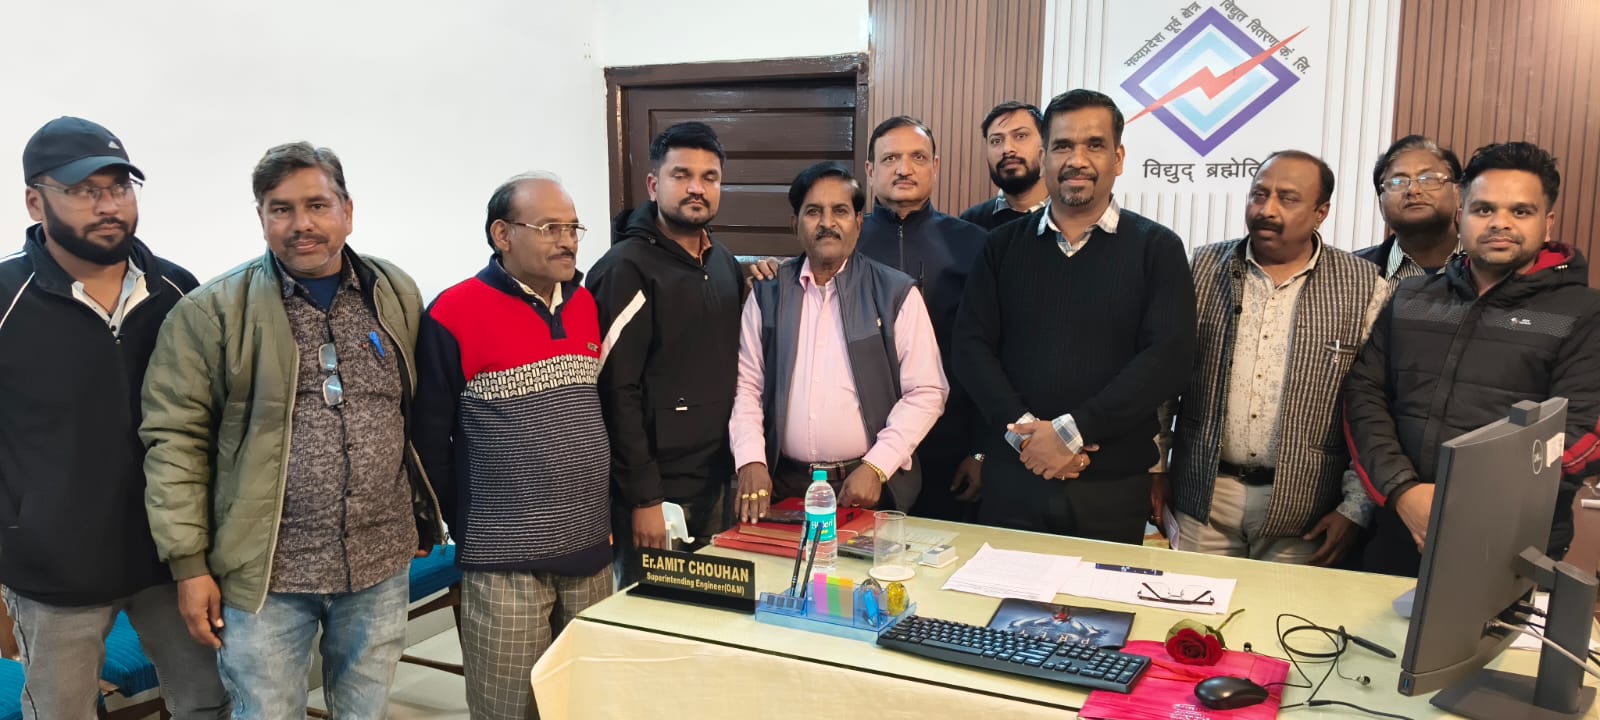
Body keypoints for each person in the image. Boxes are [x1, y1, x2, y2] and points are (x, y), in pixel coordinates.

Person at [141, 142, 445, 718]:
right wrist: (190, 566)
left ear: (347, 211)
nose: (301, 223)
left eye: (317, 205)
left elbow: (414, 412)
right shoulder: (211, 313)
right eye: (281, 209)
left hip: (379, 559)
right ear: (261, 217)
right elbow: (174, 443)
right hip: (266, 574)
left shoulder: (394, 291)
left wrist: (423, 512)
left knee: (366, 711)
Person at [0, 117, 229, 719]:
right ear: (35, 201)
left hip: (172, 558)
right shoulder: (5, 298)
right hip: (53, 571)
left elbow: (210, 421)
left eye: (120, 187)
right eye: (83, 191)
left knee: (208, 703)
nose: (108, 206)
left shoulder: (177, 290)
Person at [1343, 141, 1600, 577]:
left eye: (1521, 211)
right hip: (1400, 528)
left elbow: (1580, 434)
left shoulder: (1583, 313)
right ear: (1461, 216)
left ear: (1547, 223)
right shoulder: (1411, 298)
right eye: (1484, 209)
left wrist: (1467, 503)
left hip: (1512, 540)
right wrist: (1403, 492)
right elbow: (1364, 397)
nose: (1500, 222)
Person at [953, 89, 1196, 543]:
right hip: (1014, 476)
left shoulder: (1157, 249)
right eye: (1063, 146)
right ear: (1044, 157)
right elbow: (970, 347)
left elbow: (1168, 359)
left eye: (1094, 145)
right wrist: (1027, 436)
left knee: (1104, 592)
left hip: (1111, 484)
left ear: (1118, 158)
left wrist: (1073, 432)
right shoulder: (1001, 247)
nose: (1077, 160)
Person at [413, 172, 611, 719]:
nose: (567, 241)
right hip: (504, 562)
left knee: (584, 704)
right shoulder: (453, 313)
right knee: (508, 707)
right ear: (502, 234)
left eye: (573, 228)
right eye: (550, 228)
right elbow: (429, 441)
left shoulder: (585, 303)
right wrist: (470, 521)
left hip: (590, 548)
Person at [1162, 150, 1387, 566]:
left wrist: (1355, 507)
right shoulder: (1201, 267)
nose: (1267, 210)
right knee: (1192, 607)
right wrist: (1156, 467)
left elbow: (1373, 406)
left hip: (1305, 510)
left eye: (1287, 198)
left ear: (1321, 212)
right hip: (1203, 498)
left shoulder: (1363, 285)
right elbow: (1164, 379)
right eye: (1259, 194)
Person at [730, 161, 947, 520]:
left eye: (840, 211)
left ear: (858, 223)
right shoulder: (768, 294)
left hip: (870, 486)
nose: (827, 222)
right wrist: (751, 459)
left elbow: (927, 391)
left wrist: (877, 466)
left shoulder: (895, 293)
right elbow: (747, 386)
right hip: (783, 486)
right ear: (795, 224)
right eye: (814, 211)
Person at [588, 121, 744, 584]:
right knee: (653, 614)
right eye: (682, 175)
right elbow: (616, 391)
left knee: (714, 610)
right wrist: (643, 498)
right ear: (654, 185)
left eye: (709, 177)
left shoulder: (724, 263)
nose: (697, 188)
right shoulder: (624, 269)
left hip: (717, 481)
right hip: (656, 494)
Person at [858, 116, 987, 521]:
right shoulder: (846, 241)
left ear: (936, 165)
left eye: (917, 157)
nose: (903, 168)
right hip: (863, 447)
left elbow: (992, 352)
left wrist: (980, 450)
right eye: (890, 158)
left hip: (951, 444)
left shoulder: (973, 243)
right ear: (870, 170)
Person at [1357, 135, 1462, 279]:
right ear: (1381, 204)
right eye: (1397, 182)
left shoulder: (1488, 266)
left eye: (1428, 179)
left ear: (1458, 194)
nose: (1413, 190)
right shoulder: (1351, 272)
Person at [959, 101, 1049, 230]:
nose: (1007, 149)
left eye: (1020, 136)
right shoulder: (970, 224)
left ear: (1045, 143)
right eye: (996, 141)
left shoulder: (1071, 217)